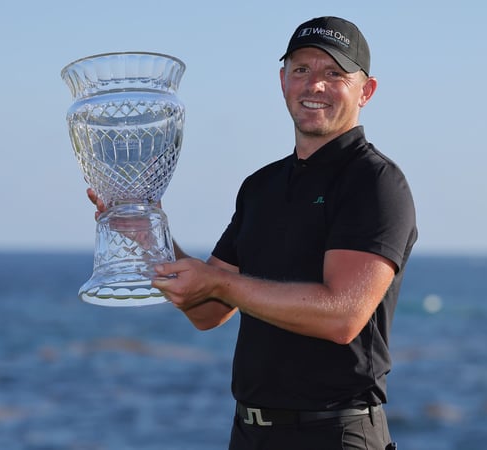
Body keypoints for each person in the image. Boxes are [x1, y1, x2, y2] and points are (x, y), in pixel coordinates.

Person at [89, 15, 417, 450]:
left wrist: (221, 282)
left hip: (335, 433)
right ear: (283, 81)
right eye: (302, 70)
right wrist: (150, 238)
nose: (314, 85)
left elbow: (342, 317)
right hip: (248, 432)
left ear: (366, 91)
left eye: (334, 73)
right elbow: (208, 311)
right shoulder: (260, 187)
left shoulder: (375, 182)